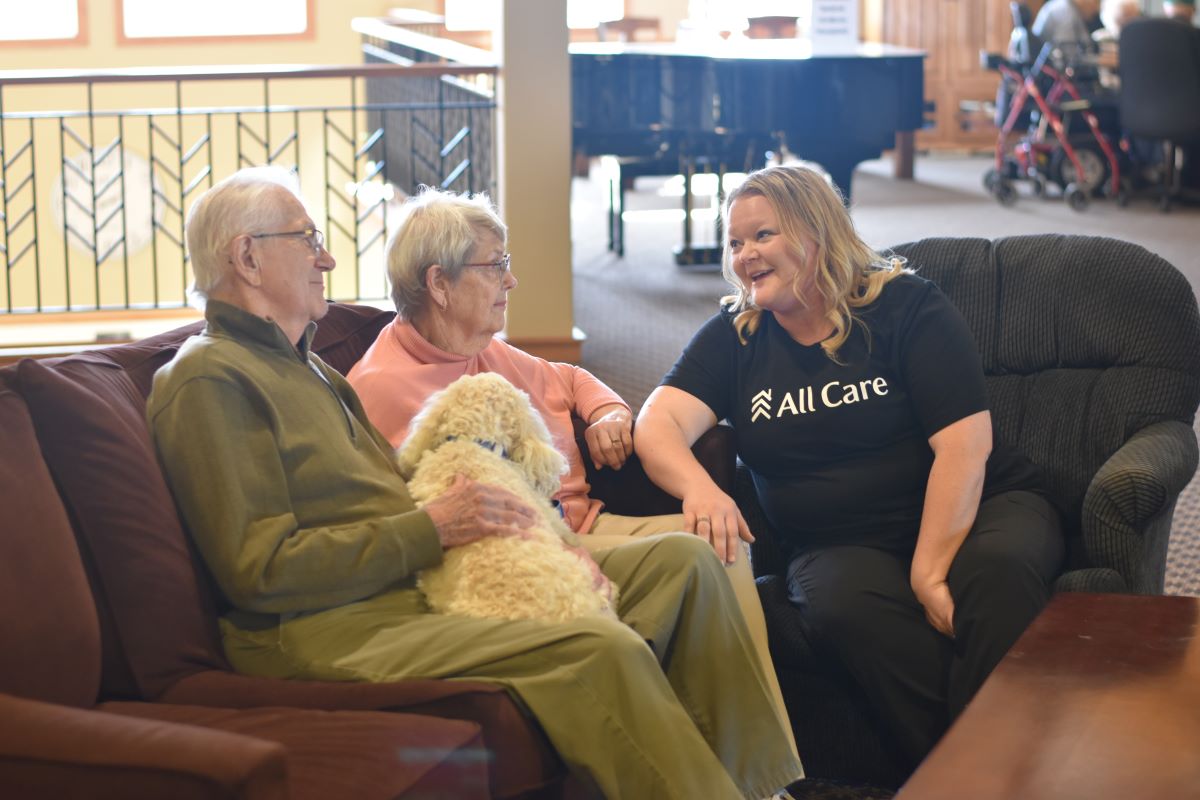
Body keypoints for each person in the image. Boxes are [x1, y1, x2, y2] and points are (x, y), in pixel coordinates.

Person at [146, 166, 803, 800]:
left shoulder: (310, 368)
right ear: (247, 257)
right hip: (325, 627)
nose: (327, 260)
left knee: (684, 561)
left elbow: (399, 491)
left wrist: (520, 534)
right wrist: (433, 529)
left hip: (404, 586)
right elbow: (258, 570)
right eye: (309, 240)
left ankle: (760, 787)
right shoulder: (209, 379)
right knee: (594, 647)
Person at [346, 185, 800, 763]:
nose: (510, 281)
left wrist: (609, 410)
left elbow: (569, 376)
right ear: (439, 283)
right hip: (533, 552)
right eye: (496, 266)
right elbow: (427, 517)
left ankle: (762, 763)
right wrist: (557, 546)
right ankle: (739, 764)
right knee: (702, 557)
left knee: (721, 542)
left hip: (589, 522)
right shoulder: (382, 389)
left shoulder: (483, 349)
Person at [633, 164, 1064, 774]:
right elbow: (656, 423)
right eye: (735, 242)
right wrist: (701, 489)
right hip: (836, 541)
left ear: (816, 232)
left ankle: (986, 778)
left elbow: (965, 447)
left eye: (763, 236)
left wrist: (929, 569)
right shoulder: (737, 338)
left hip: (978, 506)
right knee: (842, 608)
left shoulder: (905, 307)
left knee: (994, 576)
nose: (744, 256)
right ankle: (975, 778)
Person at [1032, 0, 1102, 53]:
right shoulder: (1064, 12)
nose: (1095, 11)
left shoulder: (1071, 8)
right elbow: (1067, 53)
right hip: (1049, 66)